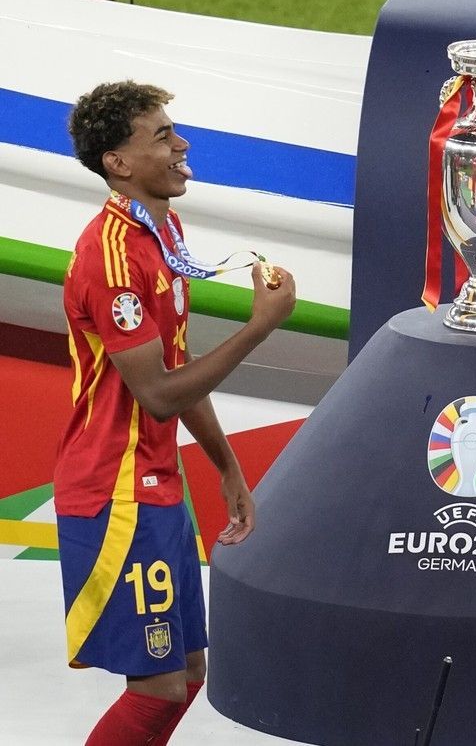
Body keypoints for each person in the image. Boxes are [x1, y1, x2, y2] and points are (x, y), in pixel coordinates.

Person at [55, 80, 296, 744]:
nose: (182, 143)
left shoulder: (163, 230)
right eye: (161, 135)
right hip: (116, 491)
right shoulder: (109, 256)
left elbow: (178, 371)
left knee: (187, 675)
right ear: (119, 162)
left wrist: (226, 469)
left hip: (156, 484)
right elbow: (157, 394)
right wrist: (259, 328)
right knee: (158, 687)